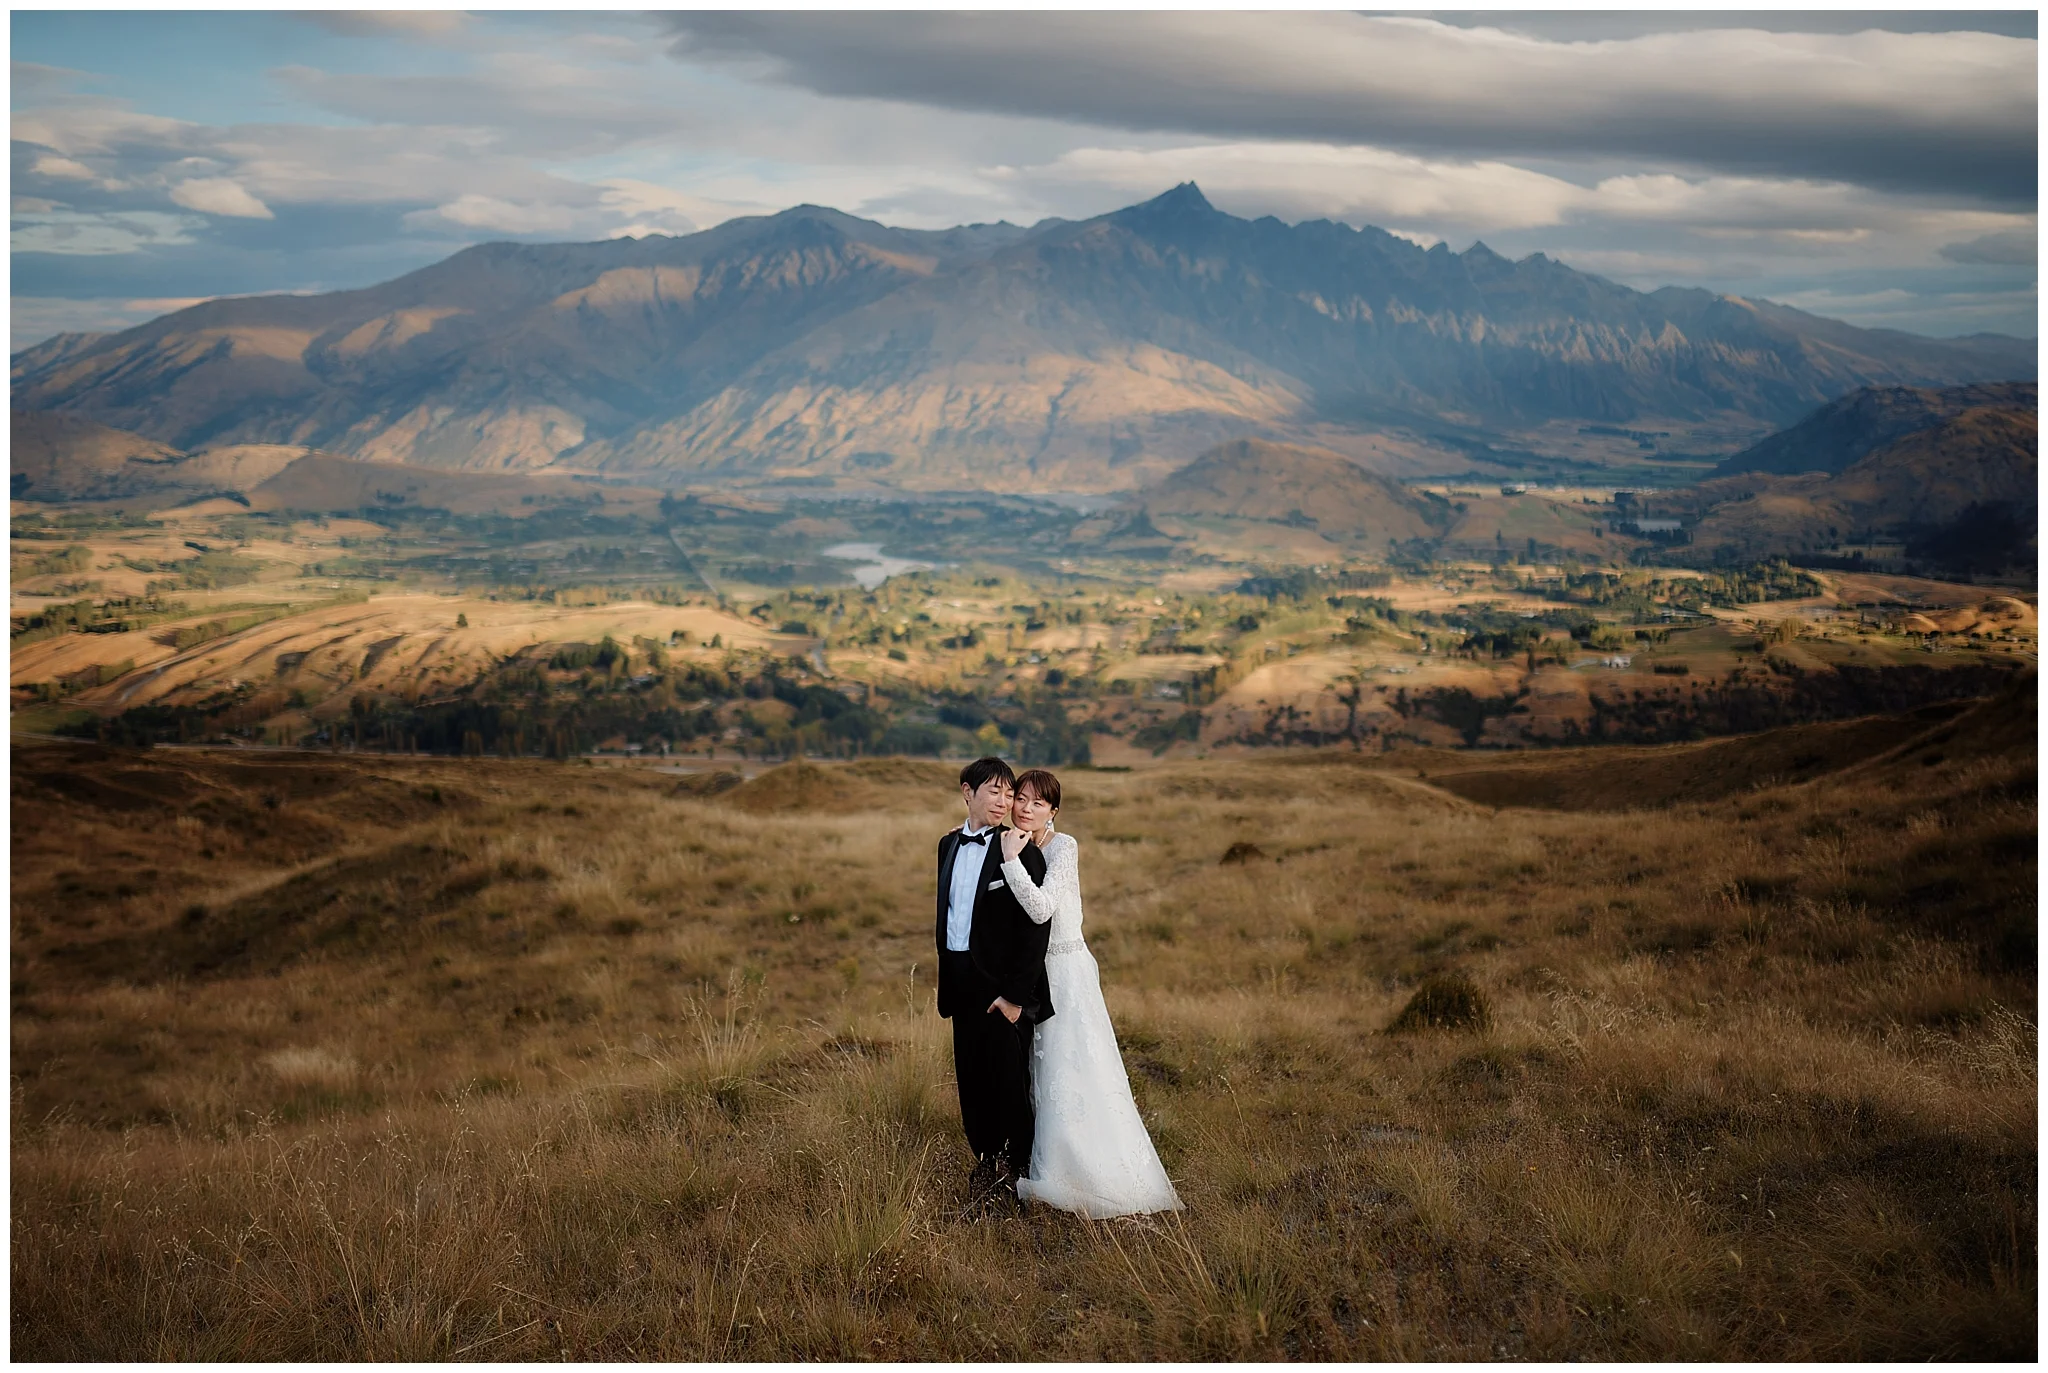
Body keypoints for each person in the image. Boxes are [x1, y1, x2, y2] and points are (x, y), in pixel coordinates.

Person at [999, 768, 1183, 1218]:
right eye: (1021, 798)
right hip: (1030, 974)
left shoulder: (1064, 846)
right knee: (1039, 1070)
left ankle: (1088, 1171)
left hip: (1066, 971)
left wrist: (1008, 861)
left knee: (1072, 1066)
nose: (1026, 808)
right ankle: (1046, 1157)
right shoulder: (1012, 841)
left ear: (1053, 812)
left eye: (1038, 803)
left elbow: (1042, 908)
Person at [934, 757, 1052, 1208]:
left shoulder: (1019, 848)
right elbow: (946, 913)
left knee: (1009, 1085)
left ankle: (1020, 1174)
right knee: (972, 1082)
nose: (1005, 802)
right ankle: (985, 1166)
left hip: (1002, 990)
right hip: (960, 985)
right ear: (968, 792)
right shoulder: (947, 845)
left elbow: (1034, 931)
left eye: (1010, 793)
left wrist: (1016, 997)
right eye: (995, 792)